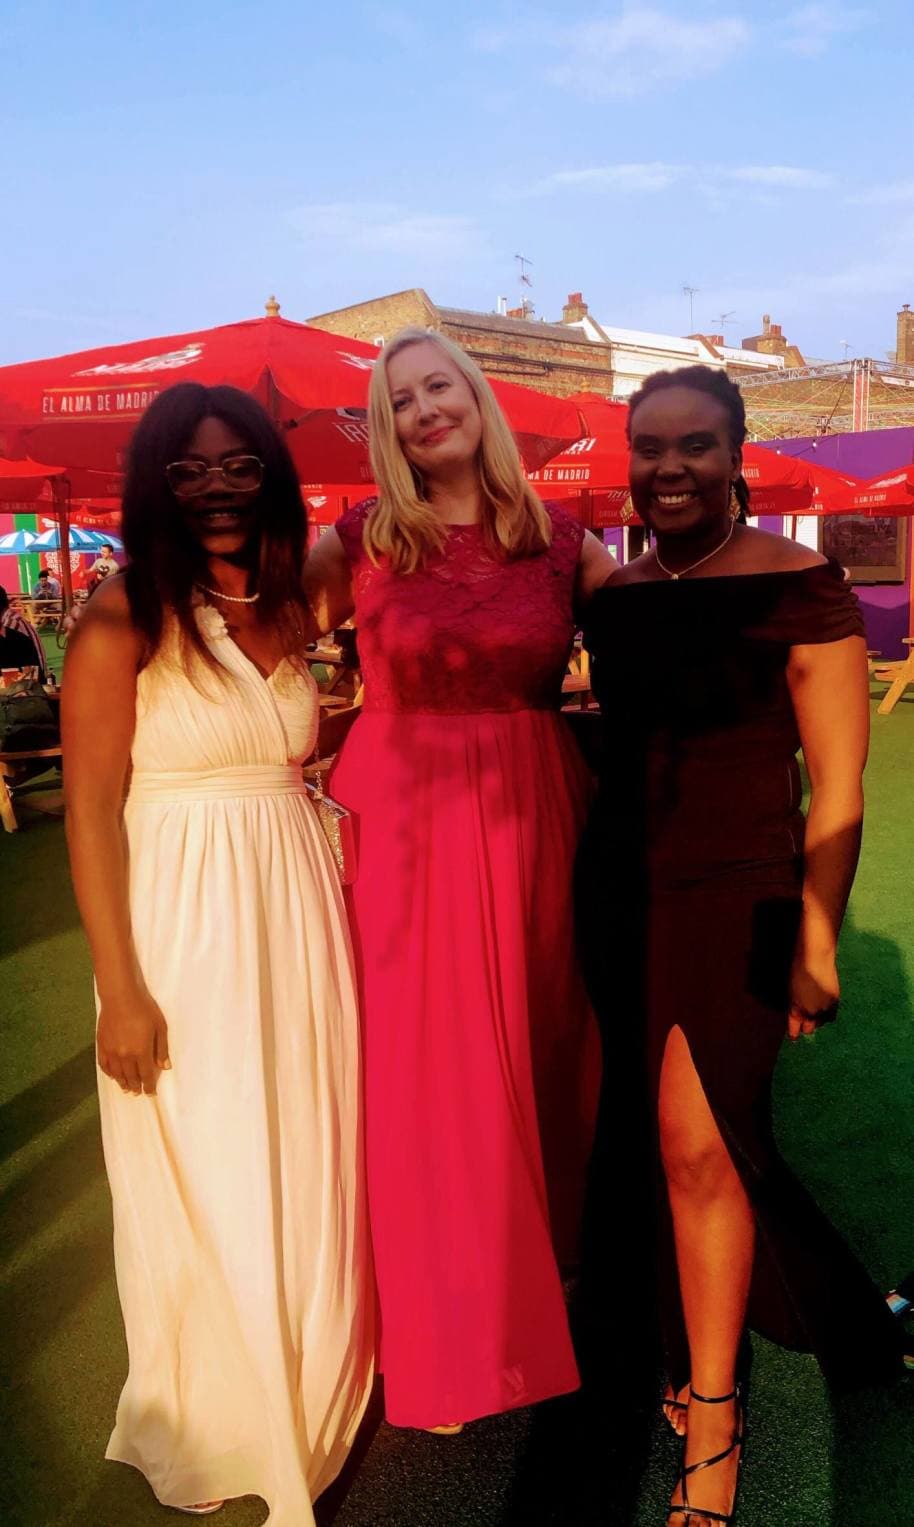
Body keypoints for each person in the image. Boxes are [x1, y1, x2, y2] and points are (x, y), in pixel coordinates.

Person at [579, 366, 907, 1526]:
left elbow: (836, 789)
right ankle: (750, 1328)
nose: (667, 468)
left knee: (700, 1144)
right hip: (618, 895)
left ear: (735, 458)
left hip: (738, 895)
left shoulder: (798, 583)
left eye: (694, 448)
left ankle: (711, 1416)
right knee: (666, 1144)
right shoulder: (612, 593)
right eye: (649, 447)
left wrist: (814, 937)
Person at [62, 383, 374, 1523]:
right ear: (155, 484)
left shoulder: (288, 602)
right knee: (216, 1146)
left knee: (309, 1133)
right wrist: (122, 990)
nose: (215, 487)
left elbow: (388, 531)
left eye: (236, 462)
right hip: (181, 920)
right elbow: (92, 810)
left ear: (269, 470)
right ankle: (232, 1408)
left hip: (294, 903)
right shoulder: (118, 617)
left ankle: (317, 1370)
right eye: (187, 470)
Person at [305, 327, 615, 1433]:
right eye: (400, 401)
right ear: (384, 432)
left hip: (534, 807)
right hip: (399, 816)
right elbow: (256, 641)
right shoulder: (357, 539)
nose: (425, 409)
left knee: (536, 1044)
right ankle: (436, 1320)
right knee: (420, 1065)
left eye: (440, 386)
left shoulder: (560, 537)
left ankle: (542, 1273)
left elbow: (666, 641)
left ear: (477, 397)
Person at [0, 585, 49, 680]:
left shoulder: (10, 625)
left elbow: (10, 673)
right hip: (33, 680)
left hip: (29, 684)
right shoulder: (13, 618)